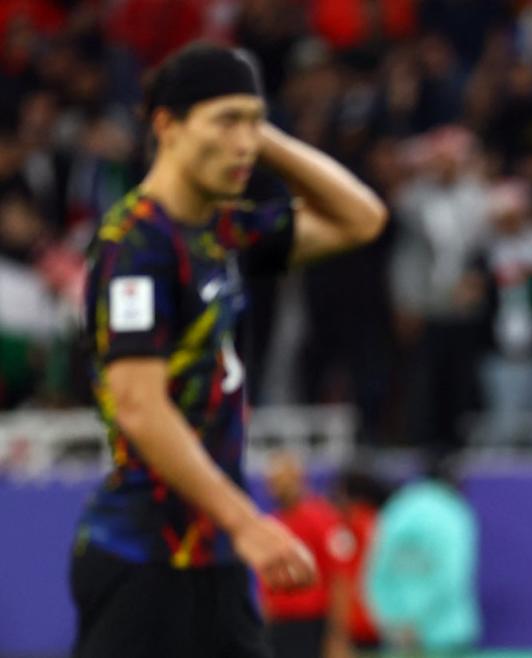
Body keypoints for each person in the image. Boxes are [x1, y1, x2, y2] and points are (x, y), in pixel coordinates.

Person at [69, 42, 387, 658]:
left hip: (214, 559)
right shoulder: (135, 244)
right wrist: (248, 523)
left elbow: (362, 218)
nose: (244, 142)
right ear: (167, 124)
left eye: (254, 120)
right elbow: (138, 406)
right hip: (143, 557)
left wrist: (261, 136)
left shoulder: (221, 232)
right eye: (225, 121)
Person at [365, 457, 480, 654]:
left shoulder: (397, 509)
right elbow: (452, 576)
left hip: (399, 635)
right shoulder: (453, 511)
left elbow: (376, 575)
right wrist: (419, 621)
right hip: (445, 635)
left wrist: (393, 623)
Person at [259, 452, 354, 658]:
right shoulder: (272, 524)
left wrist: (338, 636)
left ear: (299, 480)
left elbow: (339, 579)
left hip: (312, 623)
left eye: (282, 481)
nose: (277, 487)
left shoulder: (323, 519)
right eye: (273, 482)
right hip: (279, 624)